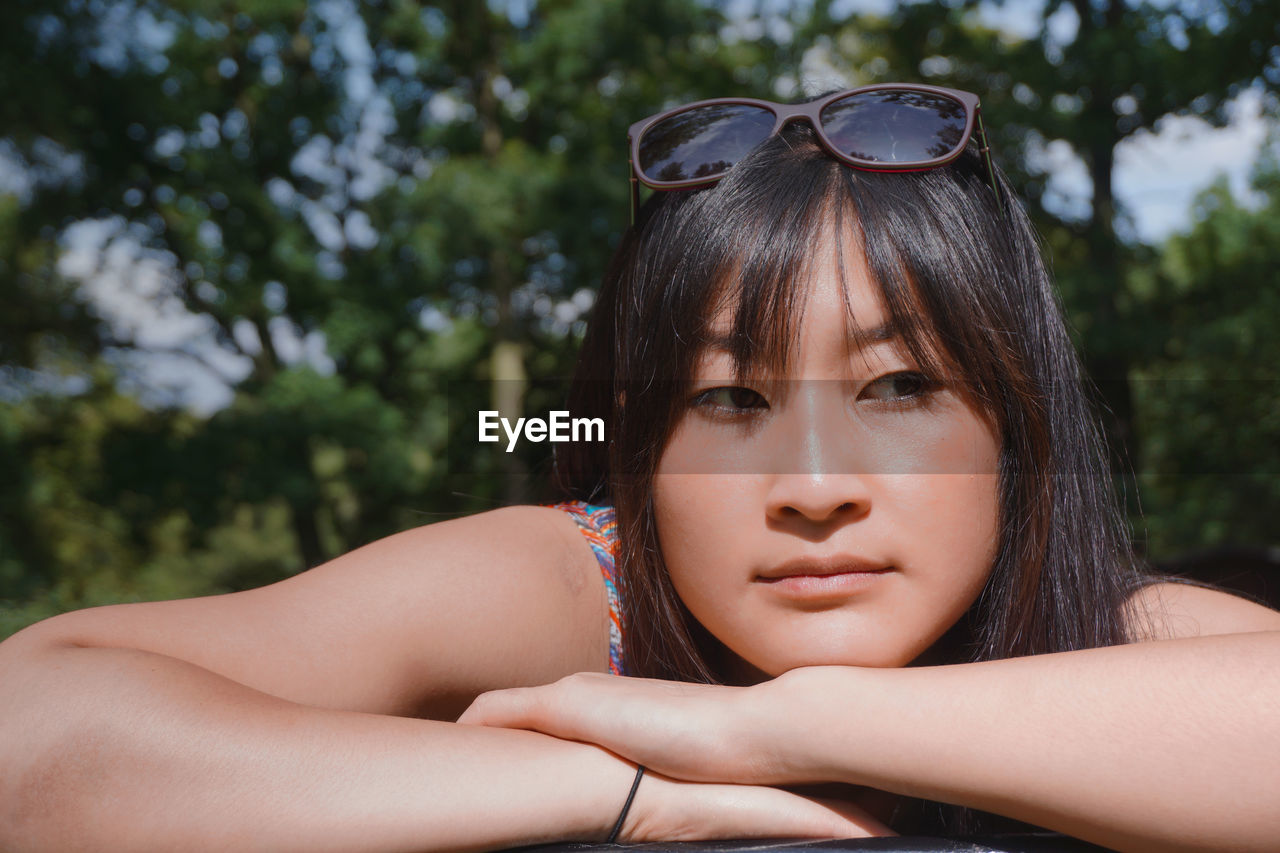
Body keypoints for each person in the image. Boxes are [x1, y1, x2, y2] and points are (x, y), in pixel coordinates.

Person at [1, 84, 1278, 852]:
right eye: (727, 400)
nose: (812, 482)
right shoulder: (581, 581)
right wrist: (621, 792)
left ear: (1012, 431)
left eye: (897, 387)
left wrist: (770, 727)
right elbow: (33, 722)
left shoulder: (1084, 615)